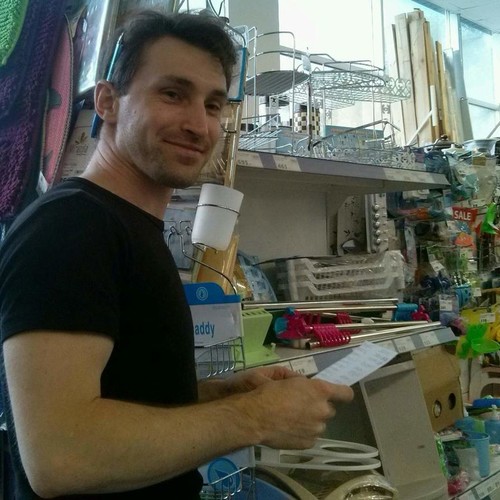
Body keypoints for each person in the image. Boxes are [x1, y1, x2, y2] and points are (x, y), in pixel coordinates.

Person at [0, 10, 354, 499]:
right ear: (108, 102)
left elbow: (120, 395)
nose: (198, 124)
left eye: (213, 105)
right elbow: (61, 455)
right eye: (172, 94)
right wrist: (253, 417)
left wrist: (215, 395)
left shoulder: (126, 227)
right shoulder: (70, 227)